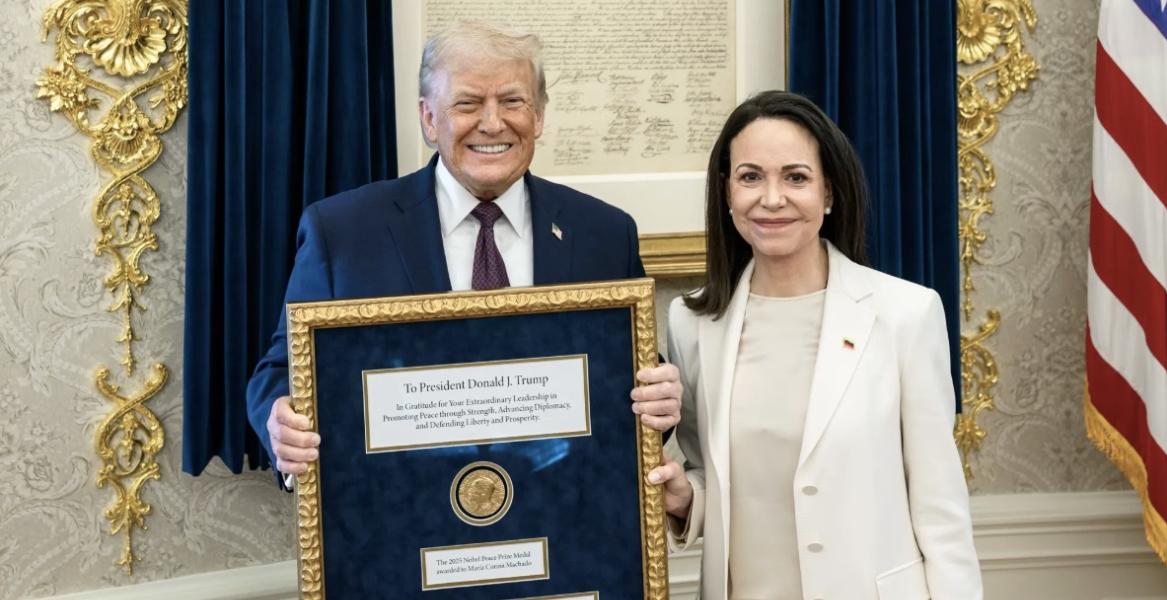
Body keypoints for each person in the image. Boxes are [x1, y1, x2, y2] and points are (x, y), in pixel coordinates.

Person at [246, 22, 681, 483]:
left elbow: (632, 377)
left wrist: (662, 400)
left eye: (512, 101)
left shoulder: (605, 233)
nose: (493, 123)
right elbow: (281, 371)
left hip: (561, 514)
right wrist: (280, 421)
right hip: (399, 516)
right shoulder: (343, 233)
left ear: (539, 116)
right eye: (468, 103)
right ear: (429, 119)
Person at [646, 91, 982, 599]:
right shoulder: (693, 322)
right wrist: (683, 497)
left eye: (796, 177)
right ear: (727, 193)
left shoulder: (905, 315)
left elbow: (940, 507)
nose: (772, 198)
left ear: (828, 194)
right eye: (751, 177)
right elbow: (714, 476)